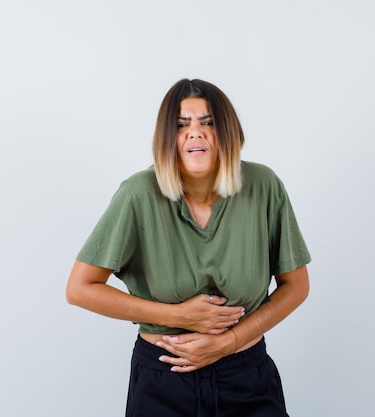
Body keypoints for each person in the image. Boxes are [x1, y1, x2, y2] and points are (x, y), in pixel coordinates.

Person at [66, 78, 311, 417]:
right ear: (168, 139)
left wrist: (229, 342)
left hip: (247, 380)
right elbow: (80, 289)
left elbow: (297, 286)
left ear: (227, 132)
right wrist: (177, 315)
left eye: (208, 123)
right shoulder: (136, 195)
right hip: (163, 383)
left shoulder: (264, 187)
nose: (195, 133)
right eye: (182, 126)